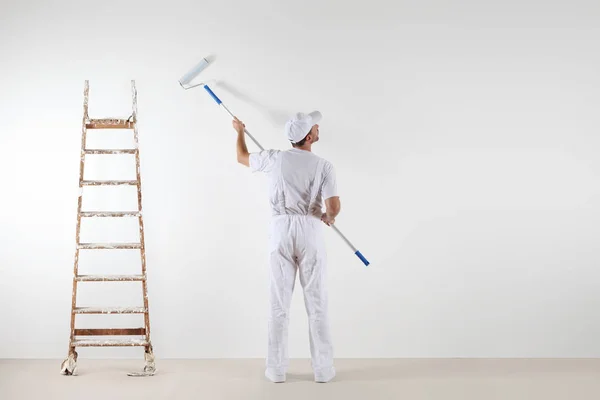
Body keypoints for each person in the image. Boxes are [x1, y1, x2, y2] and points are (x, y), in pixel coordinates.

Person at [232, 111, 340, 383]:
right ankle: (323, 371)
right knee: (317, 302)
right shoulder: (324, 166)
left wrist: (239, 132)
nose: (317, 128)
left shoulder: (273, 158)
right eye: (315, 127)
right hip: (310, 229)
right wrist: (330, 217)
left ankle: (276, 370)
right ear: (308, 137)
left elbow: (242, 158)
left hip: (280, 230)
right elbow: (333, 206)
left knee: (278, 302)